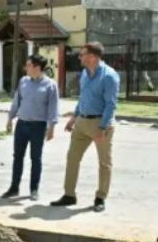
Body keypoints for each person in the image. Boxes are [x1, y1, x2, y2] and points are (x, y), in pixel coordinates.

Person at [51, 41, 120, 213]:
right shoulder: (84, 74)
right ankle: (69, 195)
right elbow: (83, 97)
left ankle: (100, 198)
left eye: (82, 54)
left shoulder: (109, 76)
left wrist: (102, 128)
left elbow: (111, 105)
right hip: (82, 122)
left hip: (100, 124)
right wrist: (74, 117)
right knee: (72, 158)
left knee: (104, 163)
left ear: (93, 57)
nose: (79, 57)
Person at [2, 54, 60, 201]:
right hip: (21, 125)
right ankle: (14, 187)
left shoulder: (50, 85)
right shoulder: (23, 81)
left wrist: (51, 127)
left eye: (28, 65)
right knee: (17, 157)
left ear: (37, 67)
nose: (25, 68)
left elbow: (53, 108)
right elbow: (17, 102)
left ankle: (34, 189)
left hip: (38, 126)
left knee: (36, 158)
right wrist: (10, 118)